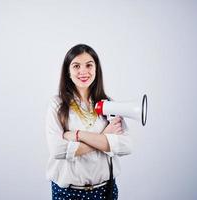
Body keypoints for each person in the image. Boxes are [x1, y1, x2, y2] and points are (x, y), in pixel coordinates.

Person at [45, 44, 133, 200]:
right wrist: (105, 136)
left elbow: (126, 145)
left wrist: (78, 135)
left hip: (105, 190)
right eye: (76, 66)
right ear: (68, 71)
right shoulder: (57, 104)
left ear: (96, 69)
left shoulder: (110, 104)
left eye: (89, 65)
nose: (83, 71)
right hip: (68, 192)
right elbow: (57, 150)